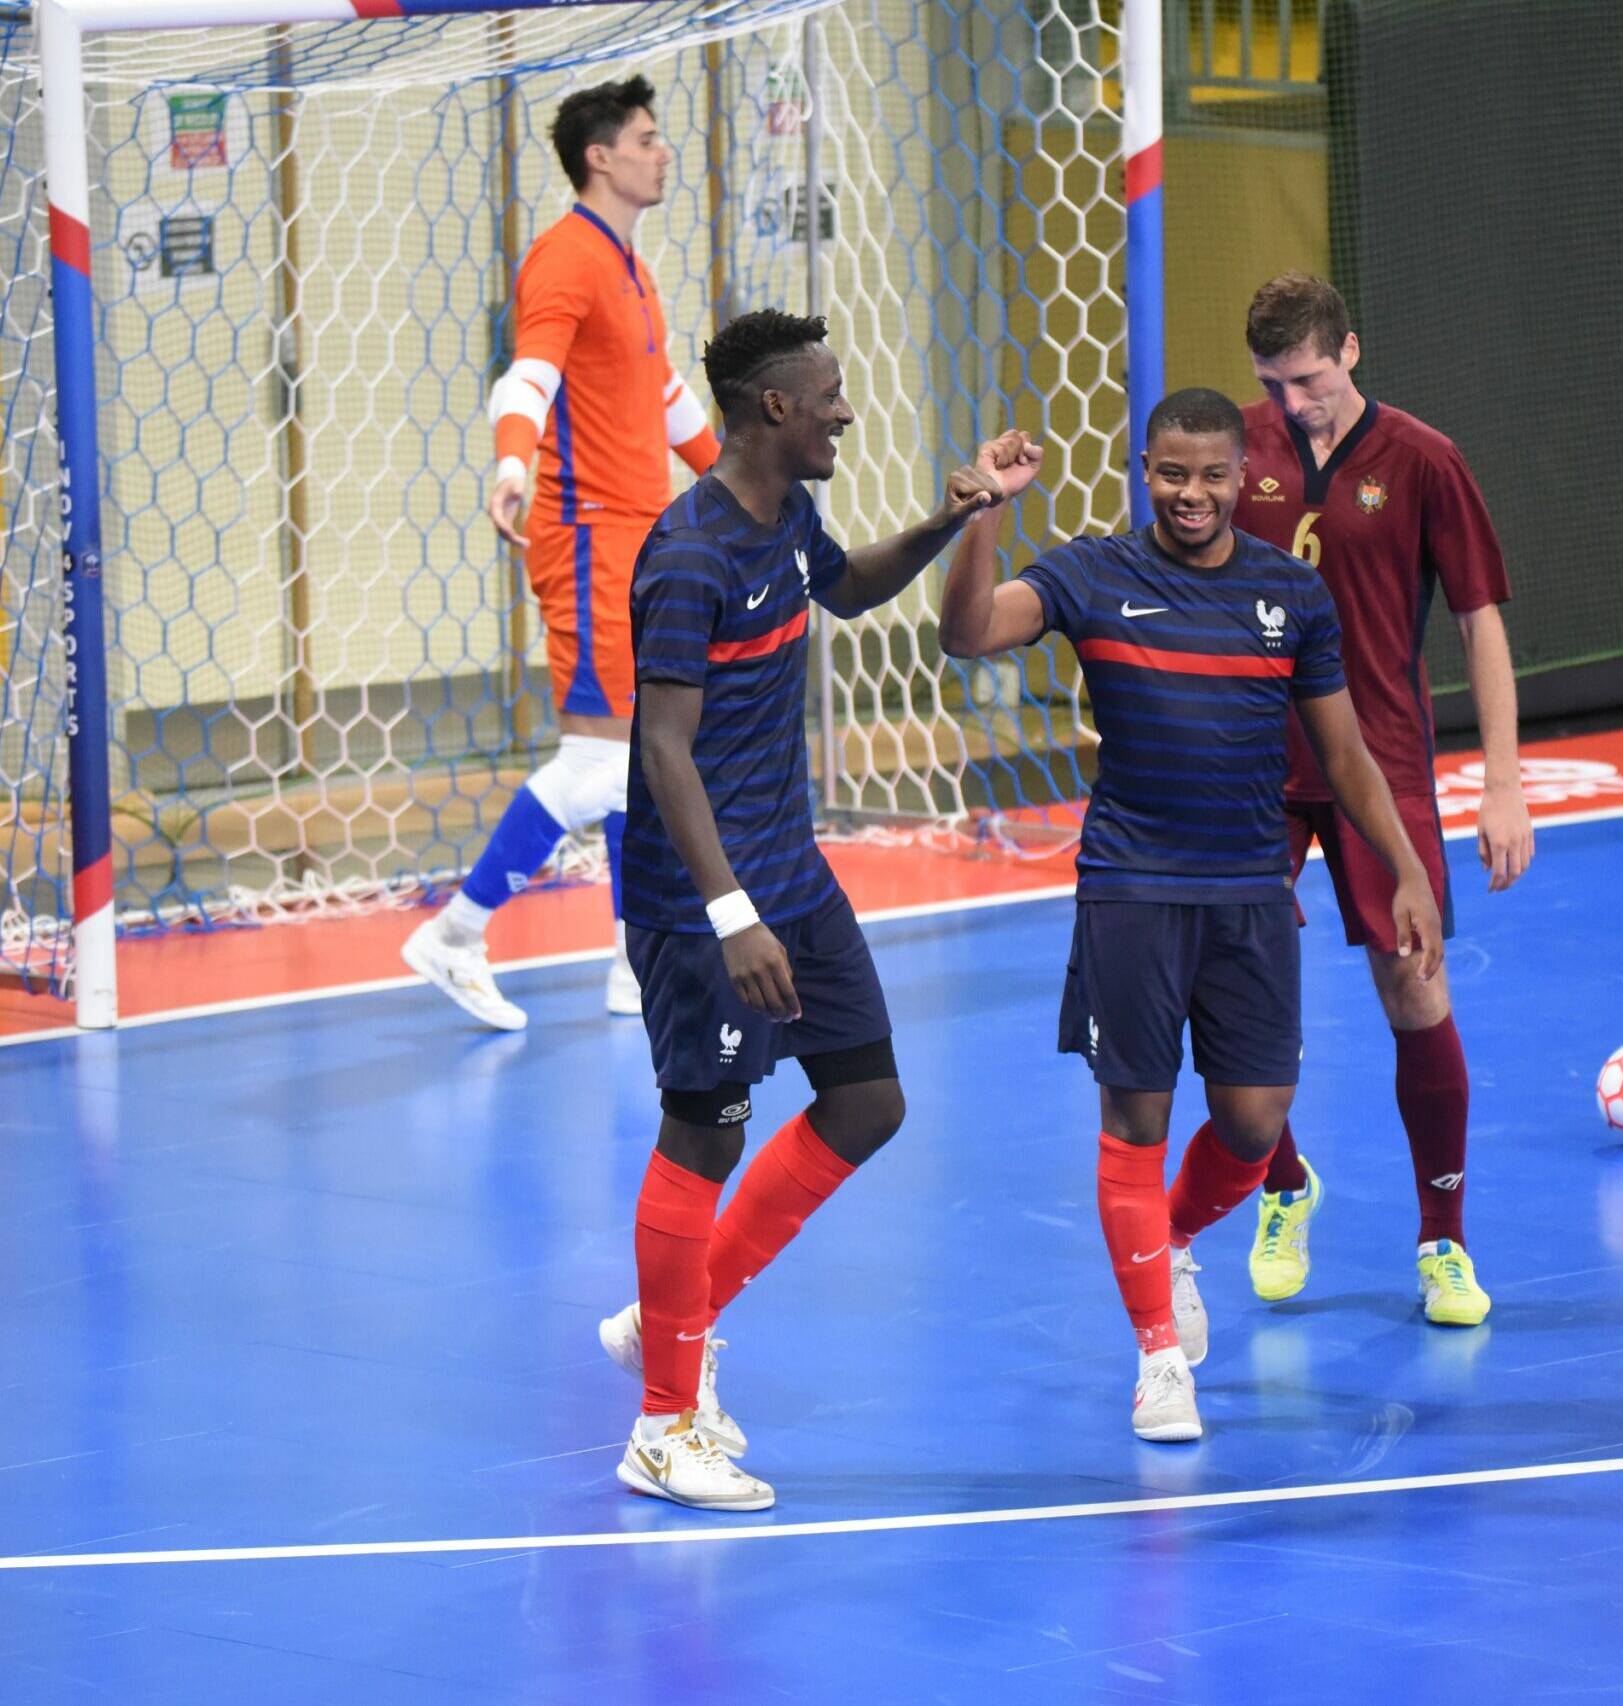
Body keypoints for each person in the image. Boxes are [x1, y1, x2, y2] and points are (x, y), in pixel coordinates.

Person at [940, 387, 1440, 1440]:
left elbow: (1345, 754)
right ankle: (1159, 1356)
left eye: (1212, 474)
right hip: (1130, 887)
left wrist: (1402, 866)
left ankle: (1161, 1244)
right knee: (1136, 1120)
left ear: (1238, 478)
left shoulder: (1290, 594)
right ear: (1143, 469)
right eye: (1171, 472)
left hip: (1252, 893)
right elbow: (970, 632)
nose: (1192, 493)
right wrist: (983, 511)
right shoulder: (1090, 573)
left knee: (1255, 1125)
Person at [594, 310, 1014, 1509]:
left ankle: (674, 1316)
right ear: (774, 407)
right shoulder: (688, 556)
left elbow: (847, 589)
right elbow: (664, 750)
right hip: (700, 900)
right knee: (704, 1131)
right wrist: (731, 915)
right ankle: (663, 1423)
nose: (843, 408)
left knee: (867, 1096)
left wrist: (951, 517)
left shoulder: (786, 519)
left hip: (792, 871)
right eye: (827, 393)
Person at [1230, 273, 1527, 1326]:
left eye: (1307, 379)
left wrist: (1502, 783)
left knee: (1413, 986)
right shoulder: (1242, 450)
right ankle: (1282, 1185)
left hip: (1380, 758)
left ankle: (1441, 1238)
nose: (1293, 403)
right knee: (1222, 985)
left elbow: (1480, 620)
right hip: (1254, 758)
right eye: (1273, 384)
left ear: (1349, 350)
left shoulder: (1423, 459)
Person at [401, 76, 720, 1029]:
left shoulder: (630, 263)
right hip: (584, 539)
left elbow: (663, 396)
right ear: (602, 157)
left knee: (640, 760)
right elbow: (526, 375)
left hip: (638, 537)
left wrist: (745, 484)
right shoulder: (566, 259)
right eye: (649, 139)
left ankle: (631, 961)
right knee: (598, 762)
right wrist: (511, 465)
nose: (664, 153)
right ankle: (455, 933)